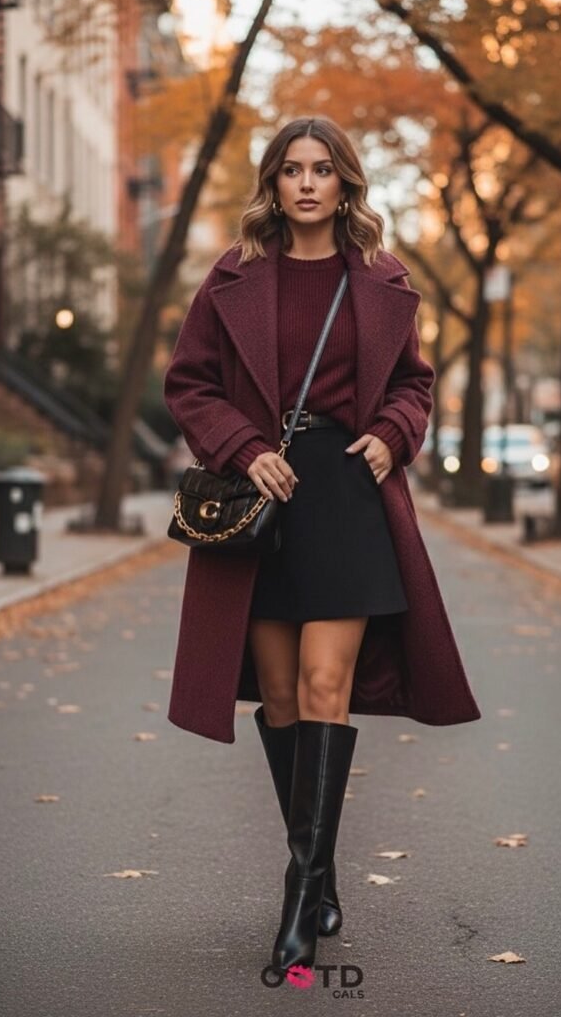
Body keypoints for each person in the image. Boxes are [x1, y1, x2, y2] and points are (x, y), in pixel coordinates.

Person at [162, 116, 481, 974]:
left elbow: (415, 381)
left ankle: (299, 896)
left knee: (325, 681)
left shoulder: (380, 277)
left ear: (346, 182)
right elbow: (187, 384)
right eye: (293, 169)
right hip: (261, 498)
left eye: (324, 170)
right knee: (278, 693)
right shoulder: (232, 277)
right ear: (274, 182)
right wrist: (244, 447)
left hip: (345, 492)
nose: (308, 183)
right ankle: (320, 868)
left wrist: (392, 432)